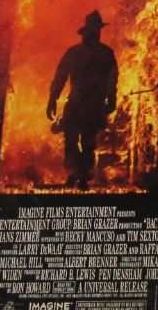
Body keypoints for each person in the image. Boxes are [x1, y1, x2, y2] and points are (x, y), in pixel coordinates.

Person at [46, 11, 118, 191]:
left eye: (96, 30)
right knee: (78, 142)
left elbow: (112, 80)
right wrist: (53, 98)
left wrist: (111, 98)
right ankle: (77, 174)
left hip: (87, 105)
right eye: (94, 30)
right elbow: (60, 76)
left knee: (84, 142)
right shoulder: (100, 53)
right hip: (82, 104)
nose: (95, 34)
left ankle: (80, 175)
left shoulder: (98, 53)